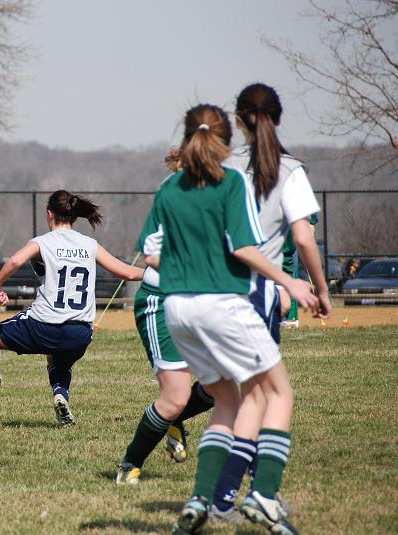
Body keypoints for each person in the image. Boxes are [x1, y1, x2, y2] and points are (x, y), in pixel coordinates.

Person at [136, 104, 322, 535]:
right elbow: (243, 249)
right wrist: (288, 283)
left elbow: (149, 252)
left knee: (227, 402)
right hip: (223, 304)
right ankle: (263, 497)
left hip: (179, 311)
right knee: (279, 394)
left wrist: (187, 267)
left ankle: (201, 500)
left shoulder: (169, 187)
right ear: (227, 142)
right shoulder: (232, 182)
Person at [209, 83, 332, 524]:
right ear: (278, 119)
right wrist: (320, 288)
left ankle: (226, 497)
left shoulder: (220, 167)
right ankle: (255, 493)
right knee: (271, 395)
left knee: (248, 398)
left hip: (211, 294)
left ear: (239, 121)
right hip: (256, 294)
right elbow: (303, 237)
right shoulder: (290, 170)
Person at [0, 190, 143, 426]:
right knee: (58, 359)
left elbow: (14, 261)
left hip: (43, 325)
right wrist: (156, 274)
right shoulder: (89, 244)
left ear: (49, 214)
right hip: (80, 333)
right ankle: (60, 397)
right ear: (74, 216)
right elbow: (126, 272)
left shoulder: (42, 242)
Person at [115, 152, 216, 485]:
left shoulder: (227, 189)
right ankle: (129, 464)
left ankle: (174, 420)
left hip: (202, 300)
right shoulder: (173, 191)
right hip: (161, 301)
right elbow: (151, 254)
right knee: (174, 396)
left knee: (223, 384)